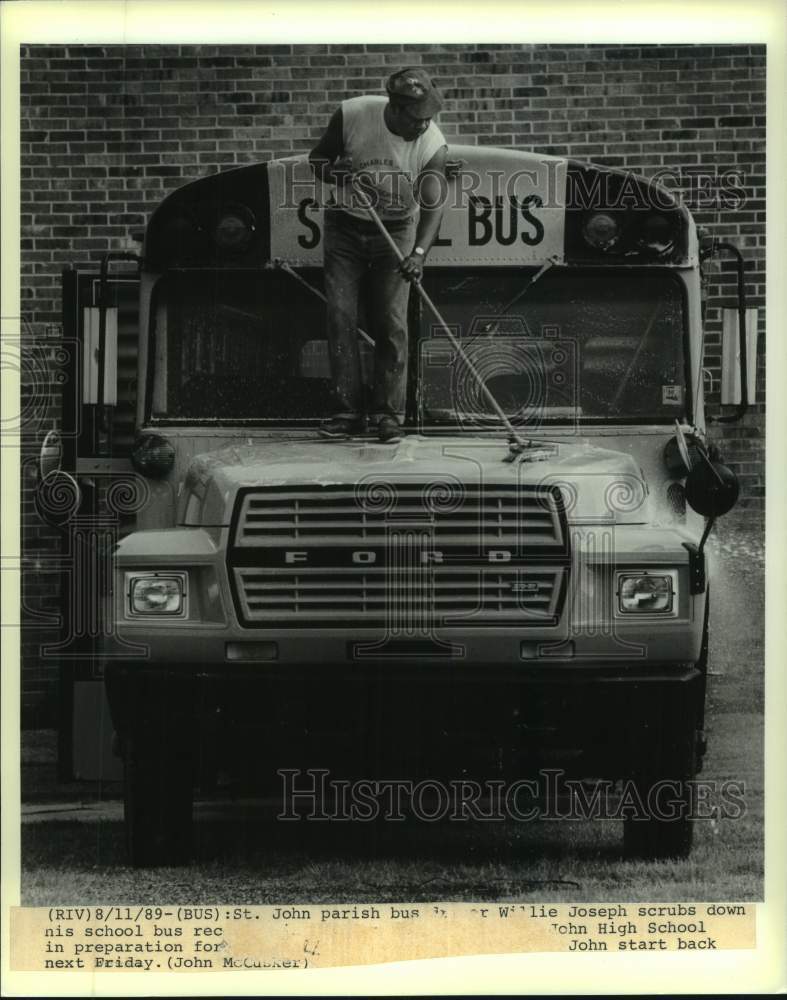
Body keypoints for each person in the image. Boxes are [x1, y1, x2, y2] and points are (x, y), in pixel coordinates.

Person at [309, 67, 448, 442]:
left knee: (392, 323)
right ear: (396, 108)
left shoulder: (432, 143)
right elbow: (317, 159)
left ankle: (389, 415)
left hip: (398, 229)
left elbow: (433, 206)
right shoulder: (353, 114)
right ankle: (347, 413)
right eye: (418, 118)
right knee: (340, 316)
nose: (425, 125)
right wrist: (335, 174)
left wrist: (418, 253)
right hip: (345, 226)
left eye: (430, 117)